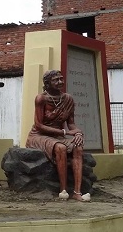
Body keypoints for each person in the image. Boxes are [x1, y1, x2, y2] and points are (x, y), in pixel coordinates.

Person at [26, 70, 91, 201]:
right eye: (56, 80)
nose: (60, 82)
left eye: (61, 79)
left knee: (78, 147)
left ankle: (77, 192)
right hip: (39, 135)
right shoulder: (41, 99)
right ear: (47, 83)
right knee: (60, 148)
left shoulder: (68, 99)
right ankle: (63, 190)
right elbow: (39, 125)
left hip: (58, 135)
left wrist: (78, 132)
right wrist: (65, 133)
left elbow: (71, 124)